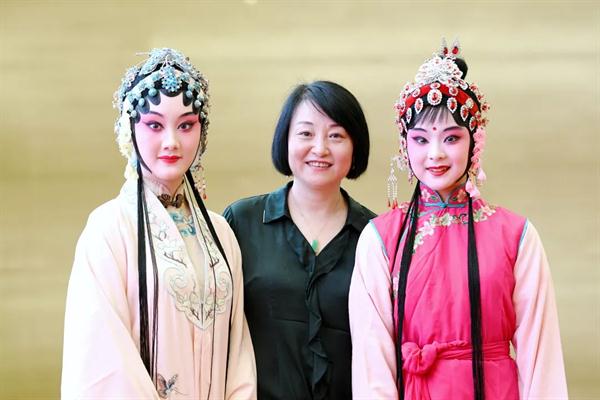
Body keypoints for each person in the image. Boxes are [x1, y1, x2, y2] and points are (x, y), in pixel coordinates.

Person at [349, 40, 568, 400]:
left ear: (474, 142)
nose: (435, 154)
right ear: (405, 147)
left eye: (451, 138)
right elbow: (372, 362)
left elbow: (541, 358)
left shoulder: (516, 236)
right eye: (421, 139)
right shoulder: (380, 239)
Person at [62, 48, 256, 399]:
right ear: (130, 130)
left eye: (186, 125)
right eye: (154, 125)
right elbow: (103, 360)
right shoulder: (108, 230)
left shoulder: (221, 234)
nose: (172, 142)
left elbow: (238, 354)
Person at [223, 81, 375, 399]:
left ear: (355, 147)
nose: (320, 148)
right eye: (306, 133)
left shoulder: (375, 237)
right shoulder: (241, 222)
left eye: (336, 136)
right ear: (285, 140)